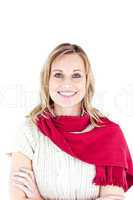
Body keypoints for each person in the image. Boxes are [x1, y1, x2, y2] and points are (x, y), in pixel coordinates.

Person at [8, 43, 133, 200]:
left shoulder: (110, 134)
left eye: (76, 75)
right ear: (47, 81)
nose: (67, 84)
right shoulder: (28, 132)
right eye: (58, 75)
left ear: (87, 82)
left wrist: (38, 198)